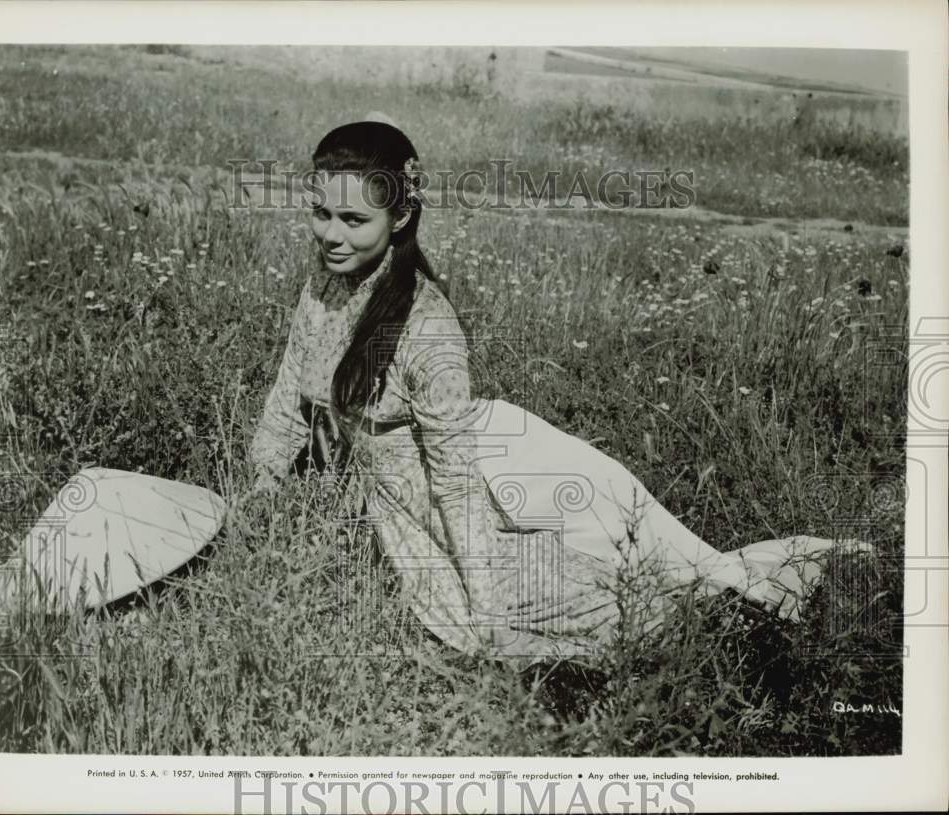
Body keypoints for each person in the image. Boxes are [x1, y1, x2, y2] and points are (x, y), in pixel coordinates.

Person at [249, 118, 868, 668]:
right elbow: (288, 395)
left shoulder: (426, 325)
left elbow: (454, 479)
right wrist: (261, 490)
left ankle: (735, 614)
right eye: (320, 213)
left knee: (550, 612)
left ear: (401, 216)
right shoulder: (324, 283)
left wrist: (485, 594)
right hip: (367, 486)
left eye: (354, 220)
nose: (331, 234)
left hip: (451, 486)